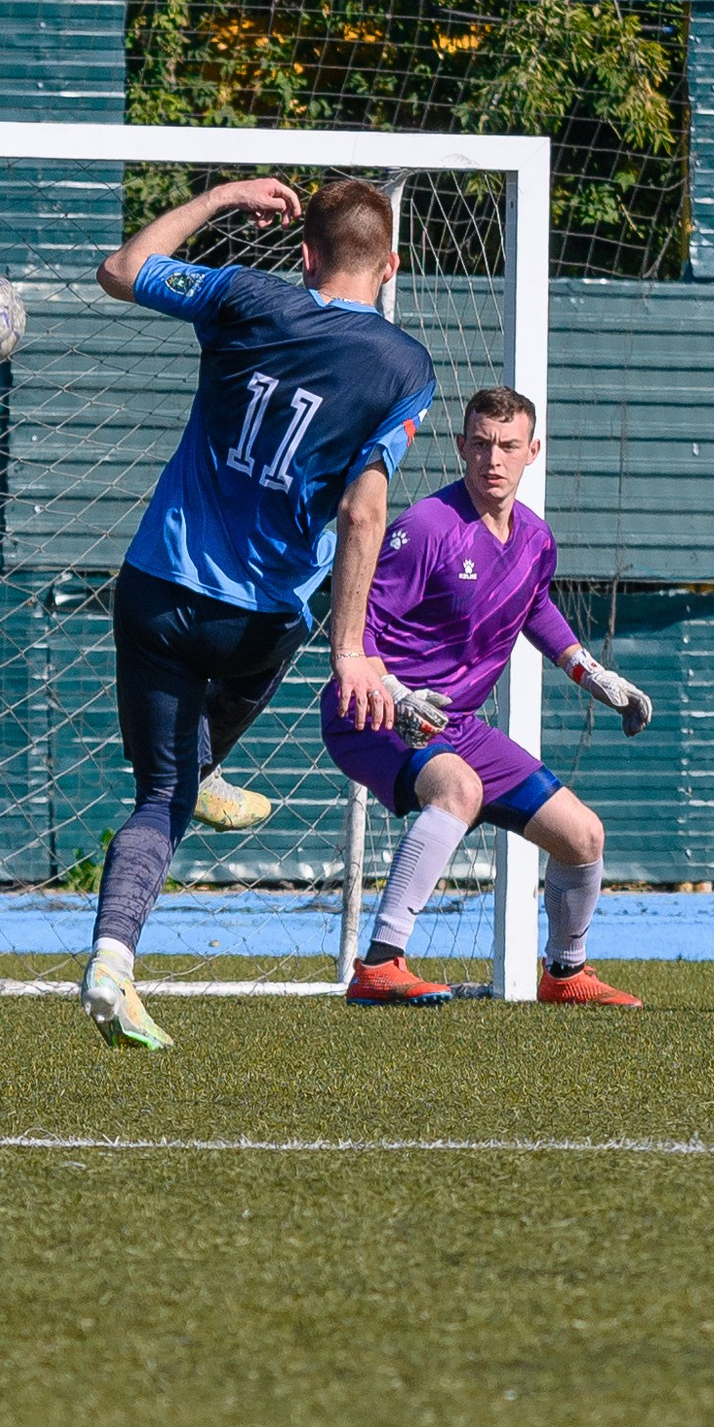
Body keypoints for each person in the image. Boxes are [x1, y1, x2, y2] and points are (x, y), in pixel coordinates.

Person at [85, 175, 437, 1050]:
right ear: (390, 265)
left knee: (157, 795)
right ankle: (202, 771)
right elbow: (364, 509)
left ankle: (112, 958)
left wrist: (218, 198)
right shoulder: (402, 367)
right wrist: (351, 648)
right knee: (188, 766)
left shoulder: (246, 293)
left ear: (305, 253)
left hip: (155, 587)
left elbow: (122, 269)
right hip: (258, 623)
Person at [326, 385, 655, 1007]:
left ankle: (565, 975)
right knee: (459, 790)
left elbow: (534, 609)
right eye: (480, 444)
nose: (492, 460)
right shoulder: (426, 526)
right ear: (462, 448)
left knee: (583, 836)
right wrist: (393, 690)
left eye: (507, 446)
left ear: (533, 451)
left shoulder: (535, 538)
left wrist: (592, 674)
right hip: (372, 713)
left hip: (459, 726)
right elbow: (358, 621)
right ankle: (379, 964)